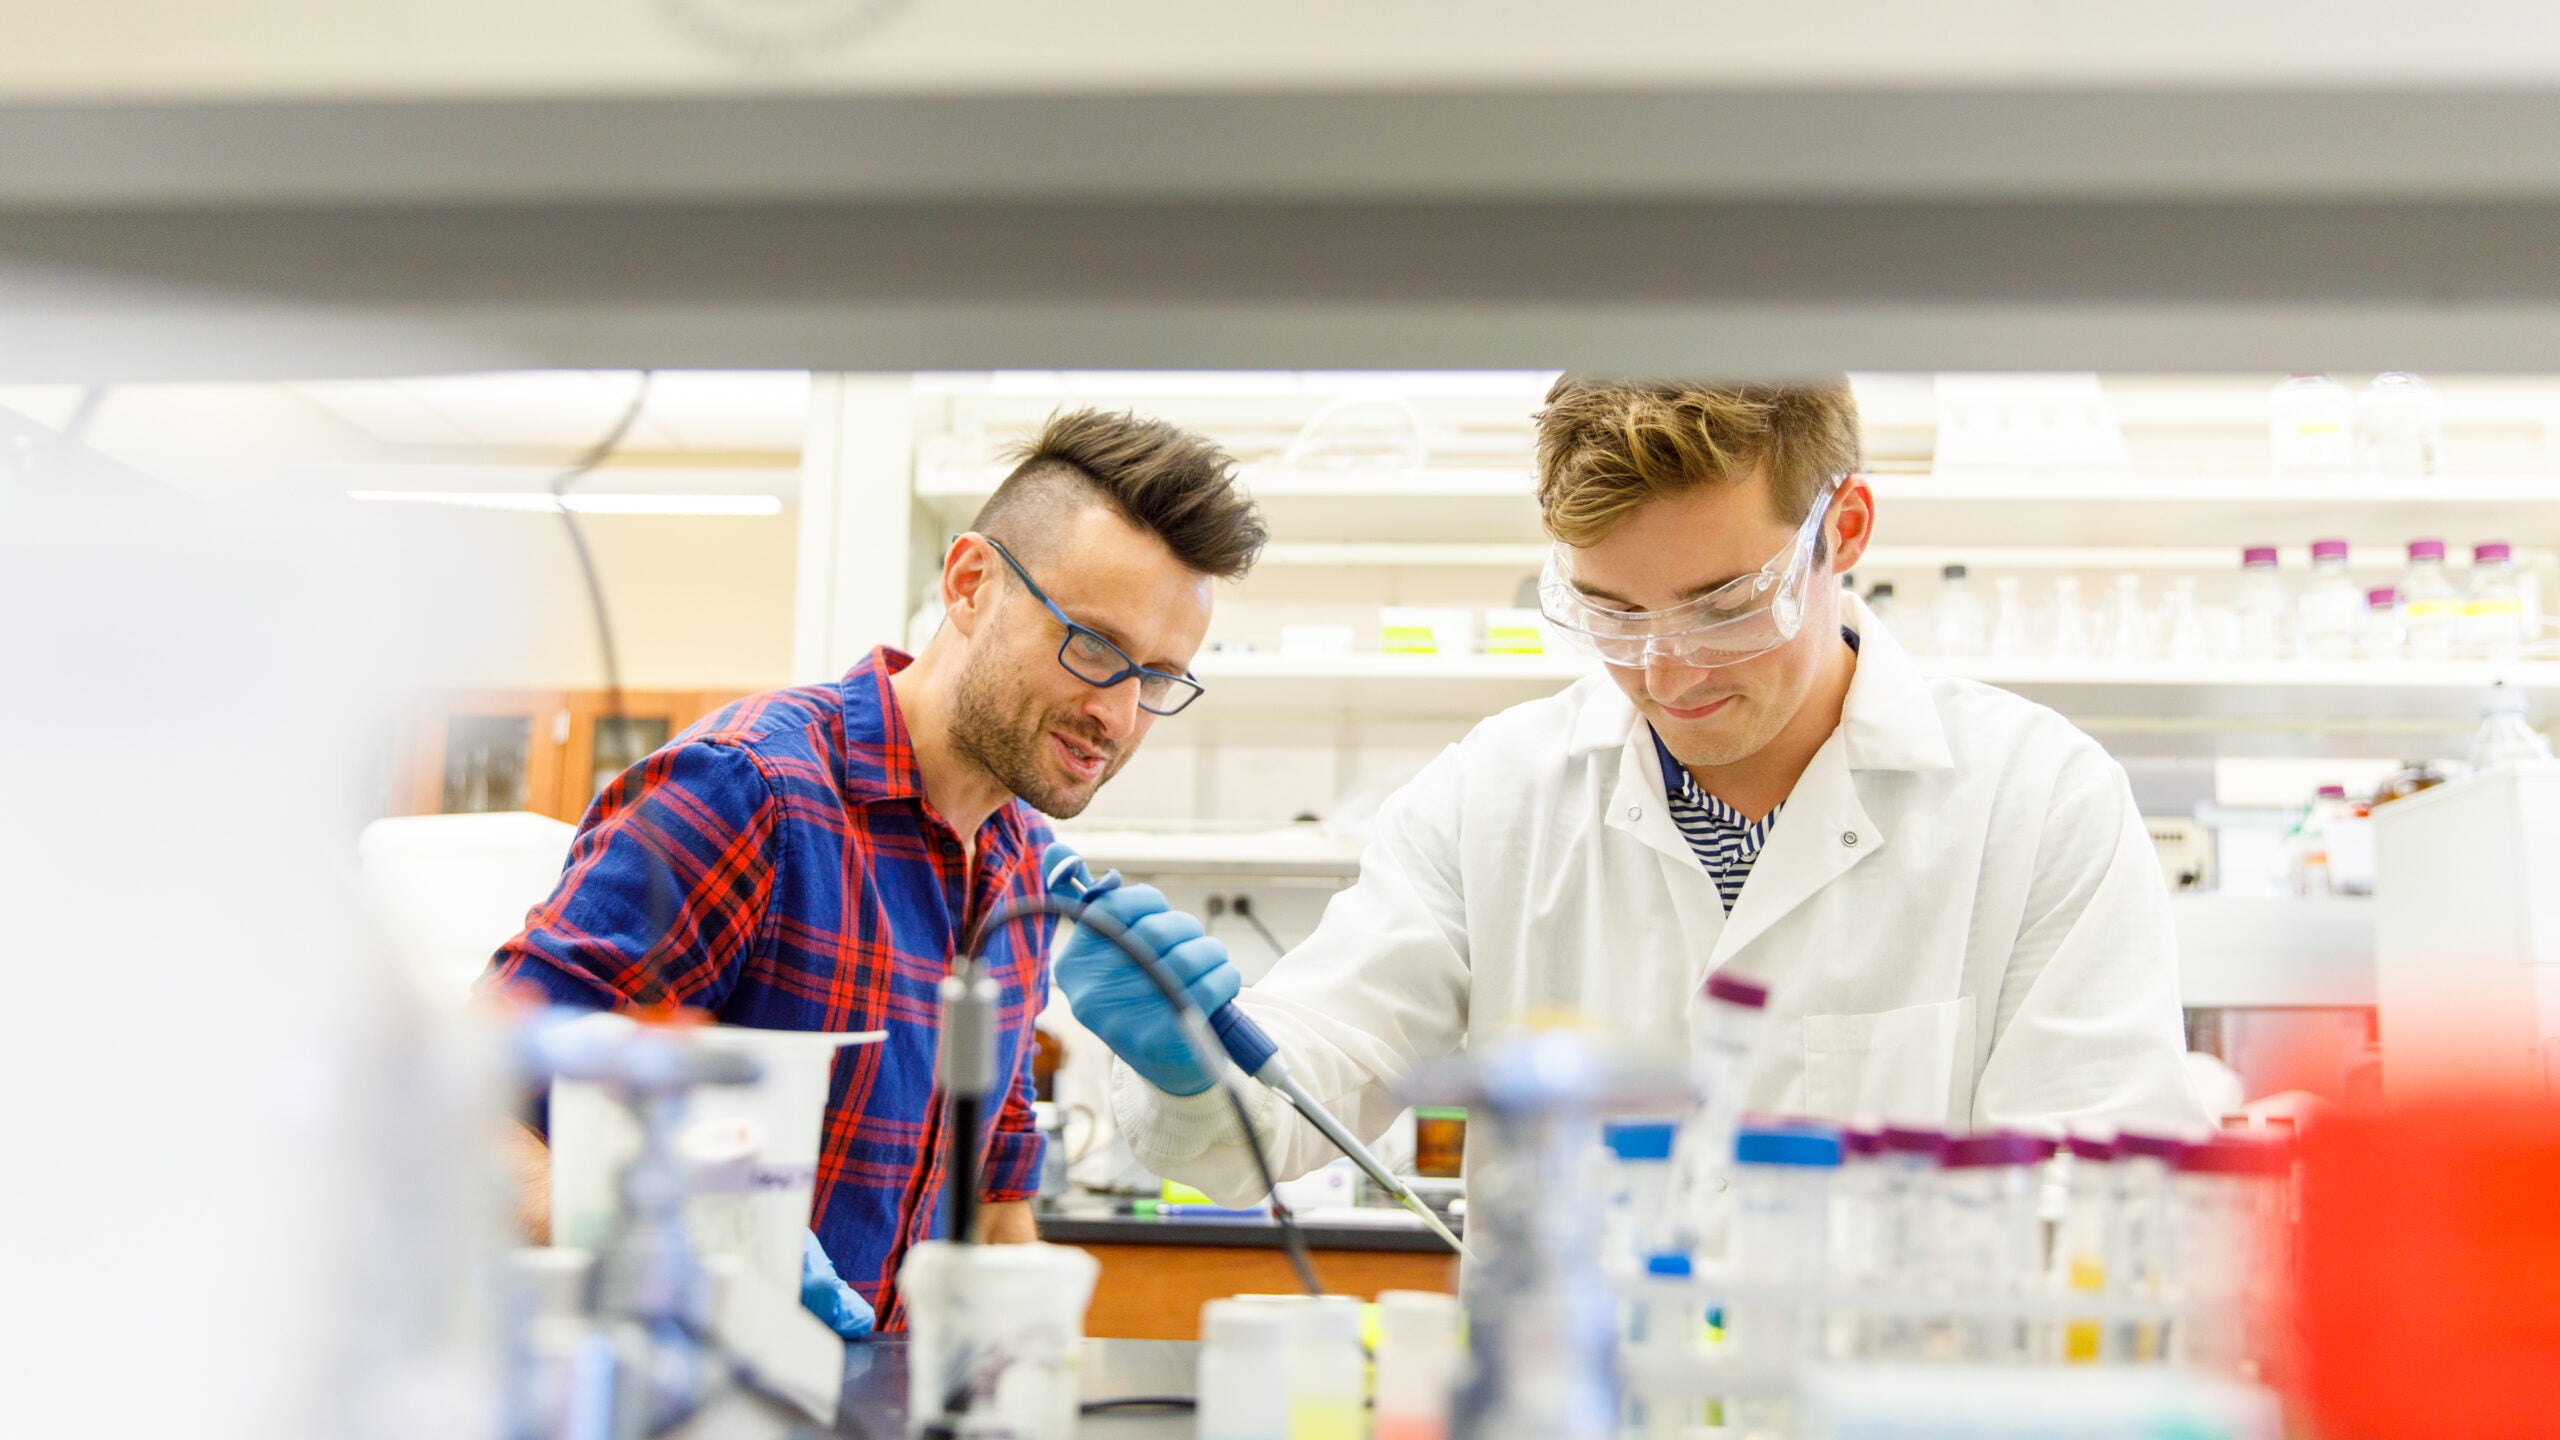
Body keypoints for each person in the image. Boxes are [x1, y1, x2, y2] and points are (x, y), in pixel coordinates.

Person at [1052, 377, 2209, 1209]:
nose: (1663, 670)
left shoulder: (2037, 801)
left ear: (1842, 529)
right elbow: (1319, 1068)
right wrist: (1195, 1063)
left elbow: (2100, 1188)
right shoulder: (1492, 799)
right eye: (1610, 612)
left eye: (1720, 606)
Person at [480, 408, 1266, 1334]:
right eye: (1093, 647)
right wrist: (666, 1247)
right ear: (972, 585)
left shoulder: (1023, 869)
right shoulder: (750, 793)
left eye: (1159, 678)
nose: (1122, 715)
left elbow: (995, 1209)